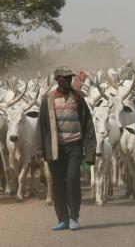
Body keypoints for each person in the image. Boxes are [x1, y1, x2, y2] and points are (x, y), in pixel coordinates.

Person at [32, 66, 96, 230]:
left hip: (74, 146)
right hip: (55, 148)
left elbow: (88, 124)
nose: (67, 80)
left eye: (69, 78)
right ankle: (63, 219)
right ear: (57, 80)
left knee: (73, 180)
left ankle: (74, 216)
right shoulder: (48, 99)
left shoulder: (78, 97)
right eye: (64, 78)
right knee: (57, 183)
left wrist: (90, 152)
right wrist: (38, 149)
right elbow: (41, 125)